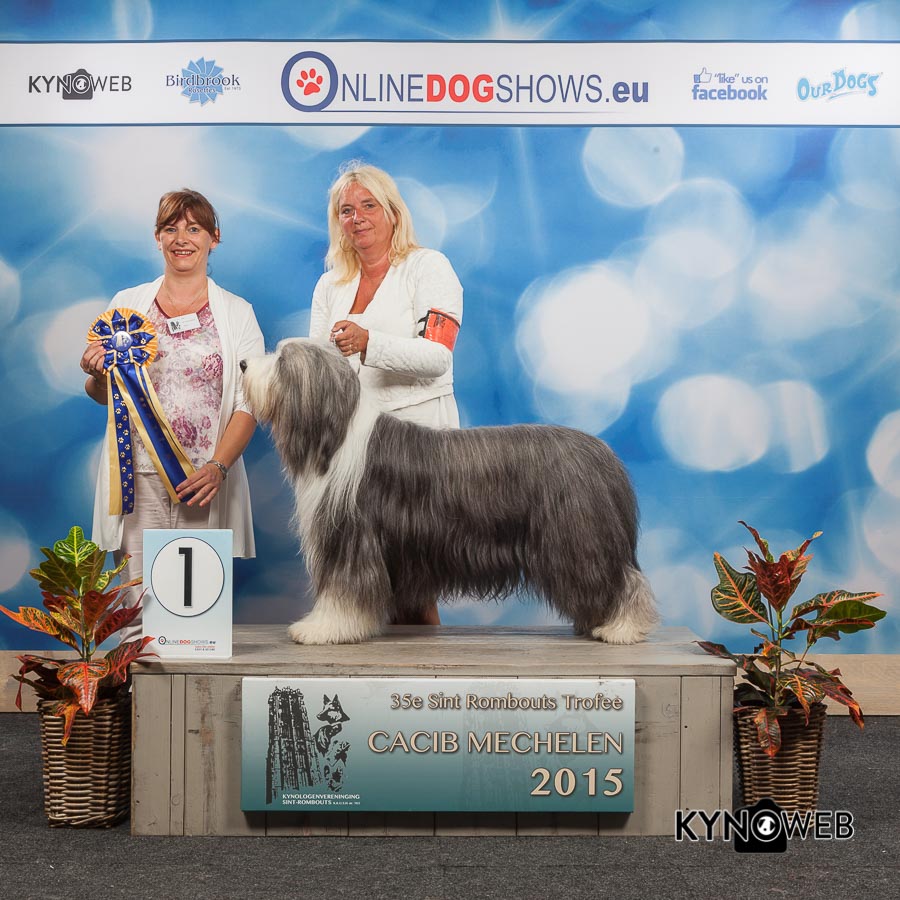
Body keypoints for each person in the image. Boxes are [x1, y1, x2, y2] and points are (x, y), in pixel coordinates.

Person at [81, 188, 264, 638]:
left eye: (194, 228)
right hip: (137, 476)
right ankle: (135, 684)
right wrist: (95, 372)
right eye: (171, 228)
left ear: (214, 238)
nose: (182, 238)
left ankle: (194, 687)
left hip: (203, 479)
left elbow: (251, 402)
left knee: (196, 619)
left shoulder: (238, 313)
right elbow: (103, 395)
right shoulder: (127, 304)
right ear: (157, 237)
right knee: (136, 609)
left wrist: (219, 467)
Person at [309, 162, 464, 625]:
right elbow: (319, 371)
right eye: (346, 210)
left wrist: (369, 343)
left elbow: (437, 356)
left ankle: (425, 669)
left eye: (368, 206)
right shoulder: (330, 285)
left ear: (393, 212)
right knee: (362, 572)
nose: (357, 218)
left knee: (414, 581)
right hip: (352, 451)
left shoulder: (428, 267)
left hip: (420, 443)